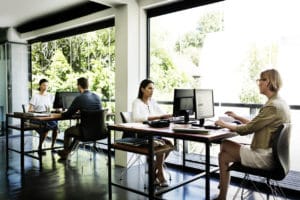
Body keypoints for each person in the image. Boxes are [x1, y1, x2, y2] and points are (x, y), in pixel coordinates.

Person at [214, 69, 291, 200]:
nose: (258, 83)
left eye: (261, 79)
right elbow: (256, 124)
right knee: (223, 155)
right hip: (273, 156)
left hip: (265, 158)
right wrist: (237, 117)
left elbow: (248, 129)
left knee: (225, 145)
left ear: (269, 82)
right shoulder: (279, 103)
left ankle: (222, 192)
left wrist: (224, 125)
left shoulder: (272, 106)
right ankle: (222, 191)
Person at [132, 79, 174, 187]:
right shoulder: (137, 102)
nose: (152, 91)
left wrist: (168, 115)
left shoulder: (152, 102)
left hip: (154, 134)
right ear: (142, 89)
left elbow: (161, 113)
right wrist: (158, 116)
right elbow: (136, 118)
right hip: (142, 135)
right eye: (149, 88)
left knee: (170, 144)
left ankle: (154, 170)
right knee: (161, 145)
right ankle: (159, 174)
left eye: (153, 88)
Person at [57, 77, 102, 160]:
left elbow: (67, 114)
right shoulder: (97, 97)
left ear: (79, 86)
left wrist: (60, 112)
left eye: (77, 85)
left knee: (68, 131)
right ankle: (67, 152)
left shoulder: (80, 98)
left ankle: (65, 152)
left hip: (86, 132)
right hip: (100, 131)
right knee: (78, 129)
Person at [29, 79, 58, 155]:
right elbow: (30, 110)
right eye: (44, 85)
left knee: (56, 128)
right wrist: (37, 112)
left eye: (47, 85)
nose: (46, 87)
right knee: (46, 128)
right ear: (40, 86)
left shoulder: (50, 96)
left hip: (47, 117)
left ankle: (53, 147)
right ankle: (40, 147)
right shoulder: (36, 96)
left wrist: (57, 109)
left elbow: (53, 107)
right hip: (37, 118)